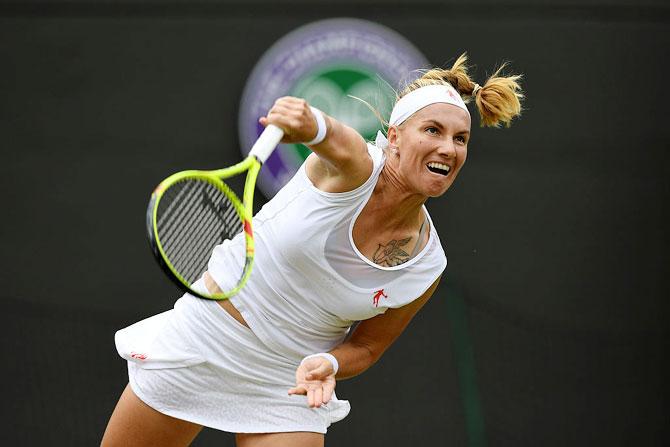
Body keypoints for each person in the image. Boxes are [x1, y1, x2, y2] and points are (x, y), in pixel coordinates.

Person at [101, 53, 523, 447]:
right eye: (432, 130)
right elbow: (333, 136)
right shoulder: (355, 167)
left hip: (287, 382)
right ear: (394, 137)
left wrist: (332, 364)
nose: (448, 149)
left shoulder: (427, 265)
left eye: (461, 139)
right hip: (204, 339)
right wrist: (308, 122)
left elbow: (369, 347)